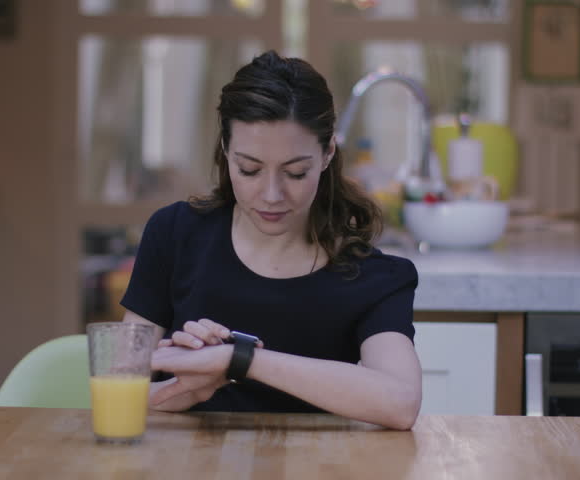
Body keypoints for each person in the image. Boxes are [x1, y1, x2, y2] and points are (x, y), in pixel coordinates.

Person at [120, 50, 421, 430]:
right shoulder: (175, 234)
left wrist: (240, 360)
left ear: (328, 153)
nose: (272, 194)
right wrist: (190, 390)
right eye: (249, 169)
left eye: (295, 173)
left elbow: (401, 403)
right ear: (226, 150)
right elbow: (121, 390)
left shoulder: (372, 275)